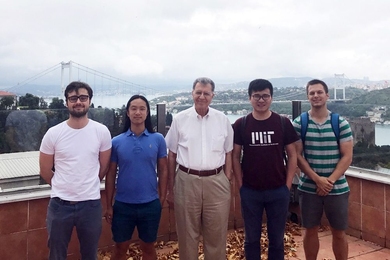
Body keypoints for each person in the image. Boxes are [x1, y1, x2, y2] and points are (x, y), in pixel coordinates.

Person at [39, 81, 112, 260]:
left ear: (89, 101)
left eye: (82, 98)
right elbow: (45, 169)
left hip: (90, 205)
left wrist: (86, 184)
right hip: (59, 205)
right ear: (67, 102)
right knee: (56, 255)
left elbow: (104, 167)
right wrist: (62, 186)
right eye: (73, 98)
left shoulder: (101, 131)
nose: (78, 102)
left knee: (89, 254)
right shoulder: (53, 133)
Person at [165, 77, 233, 260]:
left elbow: (229, 152)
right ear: (192, 93)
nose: (202, 97)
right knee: (187, 237)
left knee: (217, 237)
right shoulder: (180, 119)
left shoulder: (222, 119)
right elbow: (171, 154)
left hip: (217, 181)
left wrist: (226, 178)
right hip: (186, 181)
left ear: (212, 95)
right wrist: (171, 187)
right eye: (198, 92)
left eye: (206, 93)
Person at [232, 78, 299, 260]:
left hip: (278, 190)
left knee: (276, 240)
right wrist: (241, 186)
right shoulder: (241, 124)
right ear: (250, 98)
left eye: (265, 96)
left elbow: (293, 155)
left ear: (271, 98)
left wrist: (287, 186)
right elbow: (235, 156)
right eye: (256, 96)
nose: (261, 100)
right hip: (250, 191)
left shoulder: (283, 123)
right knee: (251, 239)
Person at [292, 79, 353, 260]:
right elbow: (297, 156)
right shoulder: (299, 123)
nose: (316, 96)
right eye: (312, 93)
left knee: (339, 232)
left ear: (327, 95)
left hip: (337, 188)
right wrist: (317, 179)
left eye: (319, 92)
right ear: (307, 96)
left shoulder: (340, 123)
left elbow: (347, 156)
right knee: (309, 231)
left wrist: (330, 181)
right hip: (309, 187)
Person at [105, 95, 168, 260]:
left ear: (147, 113)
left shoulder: (158, 139)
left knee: (148, 247)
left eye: (142, 109)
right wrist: (109, 205)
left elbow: (163, 170)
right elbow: (110, 174)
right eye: (133, 108)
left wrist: (161, 198)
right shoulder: (116, 142)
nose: (137, 112)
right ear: (128, 113)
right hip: (123, 206)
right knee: (120, 248)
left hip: (150, 205)